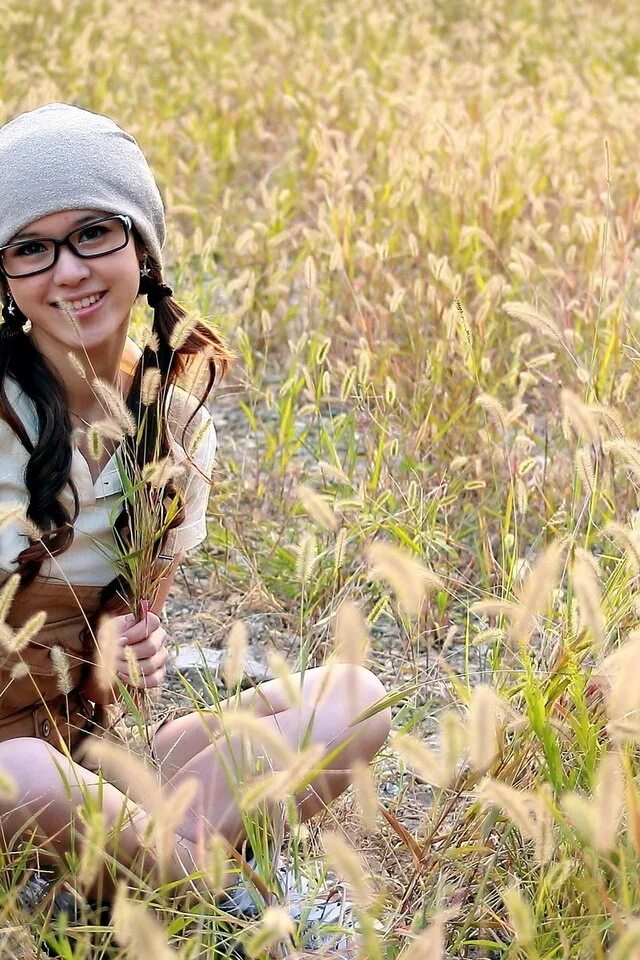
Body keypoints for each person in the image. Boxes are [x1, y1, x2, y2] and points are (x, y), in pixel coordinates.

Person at [0, 103, 391, 954]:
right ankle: (224, 903)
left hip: (83, 764)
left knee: (354, 702)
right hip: (12, 780)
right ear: (5, 277)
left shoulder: (174, 421)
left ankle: (119, 889)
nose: (68, 272)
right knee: (20, 771)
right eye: (31, 247)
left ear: (142, 247)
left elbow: (119, 665)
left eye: (94, 234)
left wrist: (127, 654)